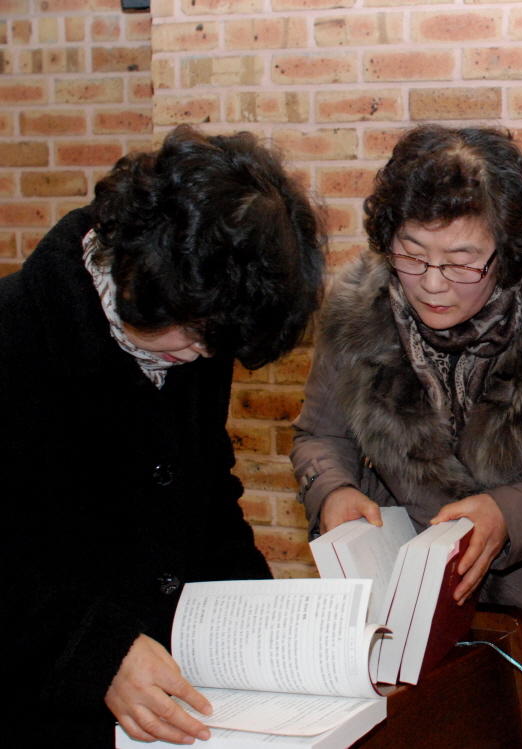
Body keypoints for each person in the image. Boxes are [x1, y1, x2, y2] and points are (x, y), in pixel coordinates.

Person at [290, 124, 522, 708]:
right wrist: (333, 491)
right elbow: (319, 437)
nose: (432, 284)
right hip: (407, 625)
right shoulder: (360, 310)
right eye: (411, 254)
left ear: (508, 254)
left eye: (462, 262)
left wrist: (513, 512)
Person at [0, 125, 326, 747]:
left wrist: (261, 623)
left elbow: (206, 506)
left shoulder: (194, 331)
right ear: (144, 269)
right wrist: (95, 651)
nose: (203, 354)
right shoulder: (16, 340)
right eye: (195, 332)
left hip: (165, 708)